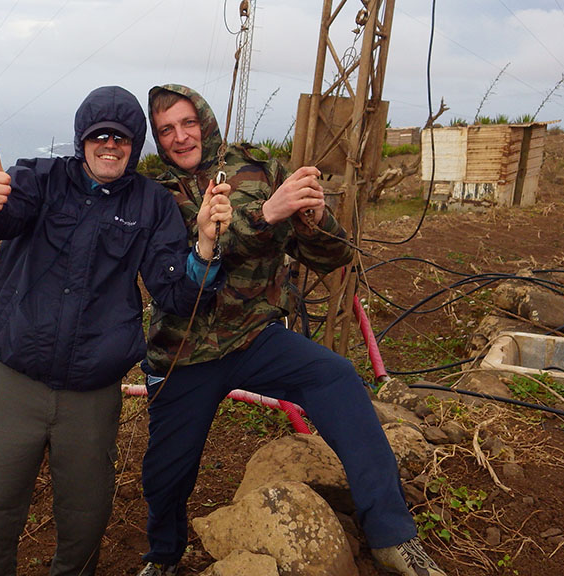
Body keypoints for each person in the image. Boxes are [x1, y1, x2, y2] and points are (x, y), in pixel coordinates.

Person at [136, 84, 447, 576]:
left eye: (187, 122)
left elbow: (331, 256)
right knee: (166, 473)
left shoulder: (259, 170)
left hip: (254, 336)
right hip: (184, 351)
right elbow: (188, 265)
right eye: (167, 129)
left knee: (336, 376)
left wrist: (314, 220)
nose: (180, 137)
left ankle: (392, 536)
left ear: (205, 120)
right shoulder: (155, 195)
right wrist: (265, 214)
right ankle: (164, 555)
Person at [0, 85, 232, 576]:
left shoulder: (152, 204)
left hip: (92, 393)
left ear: (135, 145)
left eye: (122, 137)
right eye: (100, 135)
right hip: (16, 384)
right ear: (82, 139)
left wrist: (206, 247)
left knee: (85, 519)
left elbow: (175, 291)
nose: (110, 145)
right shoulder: (41, 179)